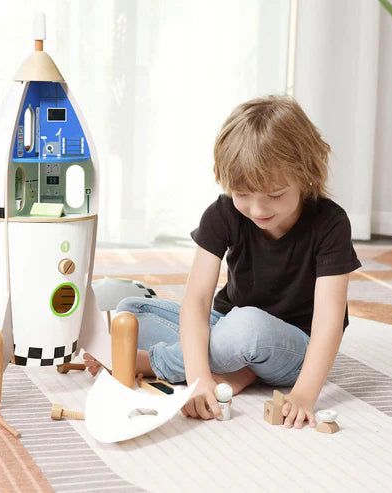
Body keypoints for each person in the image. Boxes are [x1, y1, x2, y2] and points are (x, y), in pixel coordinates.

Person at [84, 95, 361, 429]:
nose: (258, 209)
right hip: (228, 324)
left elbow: (329, 322)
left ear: (307, 175)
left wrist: (303, 394)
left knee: (245, 328)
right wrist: (200, 378)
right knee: (131, 310)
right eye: (242, 194)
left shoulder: (331, 223)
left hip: (293, 348)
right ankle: (239, 370)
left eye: (275, 195)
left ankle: (152, 362)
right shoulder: (222, 212)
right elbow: (197, 300)